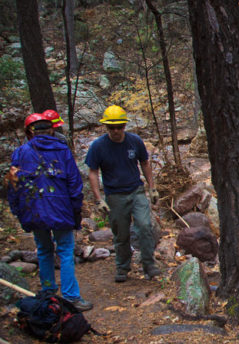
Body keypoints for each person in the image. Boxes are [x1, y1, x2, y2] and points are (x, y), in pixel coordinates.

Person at [7, 115, 92, 311]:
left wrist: (18, 212)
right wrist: (76, 209)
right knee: (65, 252)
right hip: (61, 211)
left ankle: (47, 294)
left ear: (30, 132)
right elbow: (74, 183)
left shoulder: (21, 153)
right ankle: (71, 297)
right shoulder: (62, 151)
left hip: (34, 212)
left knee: (44, 251)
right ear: (52, 130)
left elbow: (13, 186)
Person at [85, 105, 161, 282]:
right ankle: (122, 267)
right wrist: (98, 199)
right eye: (112, 127)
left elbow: (145, 163)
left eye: (119, 127)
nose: (116, 131)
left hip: (136, 191)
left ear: (124, 126)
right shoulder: (98, 146)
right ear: (106, 127)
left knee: (144, 226)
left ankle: (149, 264)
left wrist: (152, 187)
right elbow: (93, 172)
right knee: (121, 233)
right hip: (115, 196)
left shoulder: (134, 141)